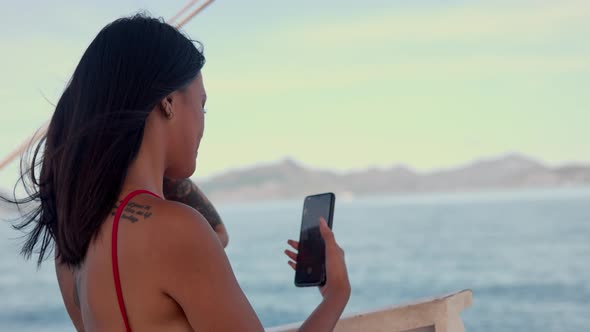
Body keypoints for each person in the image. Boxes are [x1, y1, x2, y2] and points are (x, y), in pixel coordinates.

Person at [3, 14, 350, 331]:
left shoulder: (73, 245)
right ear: (168, 102)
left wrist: (151, 165)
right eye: (201, 104)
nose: (203, 124)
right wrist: (336, 296)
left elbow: (218, 234)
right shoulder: (176, 230)